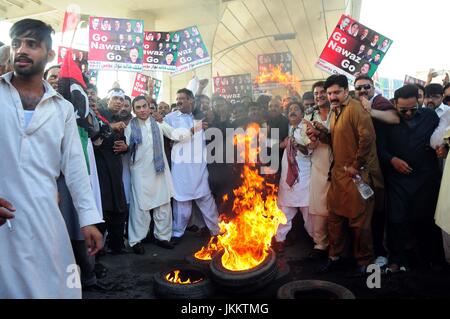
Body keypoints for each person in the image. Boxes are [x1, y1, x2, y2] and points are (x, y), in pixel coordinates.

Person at [0, 18, 103, 298]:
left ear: (49, 54)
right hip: (3, 221)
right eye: (16, 43)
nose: (21, 50)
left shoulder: (63, 109)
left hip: (46, 218)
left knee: (57, 288)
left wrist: (88, 220)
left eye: (32, 44)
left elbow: (75, 169)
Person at [307, 75, 383, 276]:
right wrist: (321, 134)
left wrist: (357, 165)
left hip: (357, 176)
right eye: (329, 93)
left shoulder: (356, 109)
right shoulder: (336, 111)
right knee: (335, 219)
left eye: (336, 92)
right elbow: (337, 140)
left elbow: (368, 138)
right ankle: (335, 258)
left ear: (346, 91)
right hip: (339, 176)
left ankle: (365, 263)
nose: (332, 97)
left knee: (359, 223)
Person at [378, 85, 445, 272]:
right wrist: (392, 160)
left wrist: (442, 147)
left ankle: (430, 260)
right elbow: (380, 148)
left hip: (425, 178)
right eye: (403, 110)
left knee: (425, 219)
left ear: (419, 102)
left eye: (412, 109)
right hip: (398, 179)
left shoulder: (430, 117)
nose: (408, 113)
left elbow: (441, 137)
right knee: (397, 219)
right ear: (394, 104)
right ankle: (396, 259)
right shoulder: (388, 121)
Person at [125, 96, 193, 254]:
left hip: (159, 171)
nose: (142, 110)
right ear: (134, 111)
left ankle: (163, 237)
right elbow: (127, 146)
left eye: (144, 106)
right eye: (138, 107)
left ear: (150, 108)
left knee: (163, 205)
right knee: (140, 208)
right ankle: (136, 241)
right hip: (140, 173)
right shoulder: (131, 126)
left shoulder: (158, 123)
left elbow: (175, 134)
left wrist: (191, 131)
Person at [164, 88, 220, 244]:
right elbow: (172, 136)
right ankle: (177, 233)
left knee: (206, 200)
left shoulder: (201, 117)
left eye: (183, 98)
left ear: (191, 100)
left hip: (199, 167)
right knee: (181, 202)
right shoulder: (170, 118)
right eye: (177, 98)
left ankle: (217, 231)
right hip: (180, 169)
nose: (179, 101)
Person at [274, 102, 313, 253]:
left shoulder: (307, 127)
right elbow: (281, 145)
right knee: (283, 212)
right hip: (287, 180)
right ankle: (279, 240)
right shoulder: (290, 129)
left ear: (302, 114)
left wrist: (296, 144)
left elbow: (309, 149)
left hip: (303, 179)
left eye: (296, 109)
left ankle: (319, 244)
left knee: (310, 217)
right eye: (290, 110)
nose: (292, 111)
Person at [95, 88, 129, 255]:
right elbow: (94, 133)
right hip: (100, 168)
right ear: (107, 100)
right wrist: (110, 127)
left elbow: (122, 142)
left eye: (121, 100)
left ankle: (117, 245)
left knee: (119, 206)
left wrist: (125, 147)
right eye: (115, 98)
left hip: (115, 169)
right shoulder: (97, 115)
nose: (118, 102)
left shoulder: (119, 119)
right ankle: (98, 251)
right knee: (103, 207)